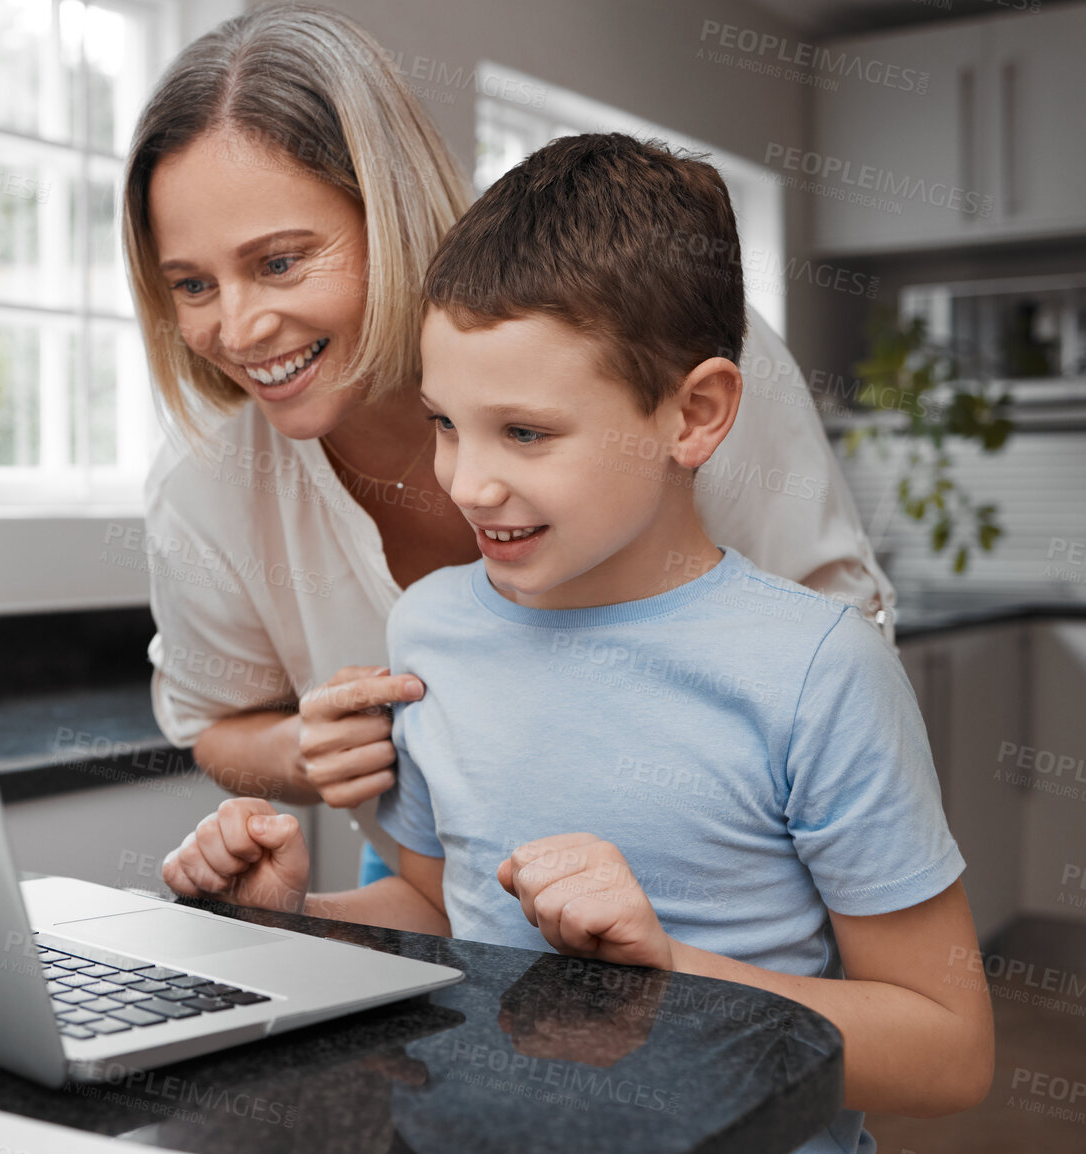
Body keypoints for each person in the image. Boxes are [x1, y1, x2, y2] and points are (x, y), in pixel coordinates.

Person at [159, 133, 994, 1153]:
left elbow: (948, 1050)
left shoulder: (821, 671)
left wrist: (662, 973)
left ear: (694, 414)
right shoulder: (432, 630)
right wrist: (295, 922)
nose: (467, 482)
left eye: (527, 433)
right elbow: (448, 912)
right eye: (446, 422)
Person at [124, 4, 894, 886]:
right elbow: (215, 721)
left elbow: (836, 648)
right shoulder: (207, 489)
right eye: (190, 283)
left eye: (281, 262)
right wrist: (304, 752)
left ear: (392, 211)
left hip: (724, 860)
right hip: (442, 862)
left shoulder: (663, 352)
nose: (239, 325)